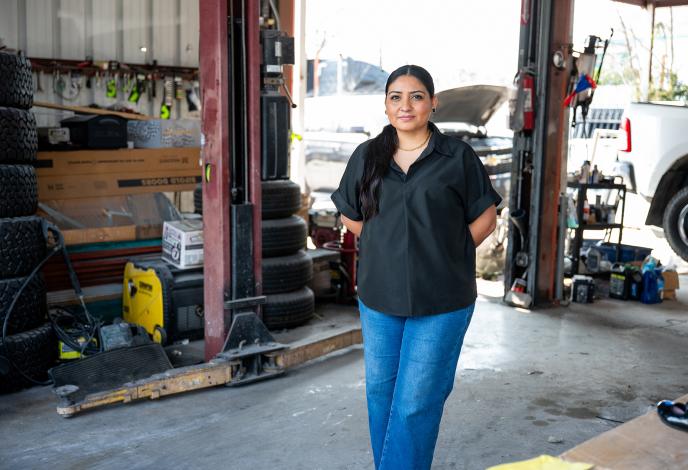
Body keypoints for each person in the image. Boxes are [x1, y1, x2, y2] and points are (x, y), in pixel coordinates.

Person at [330, 65, 501, 470]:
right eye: (395, 97)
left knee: (415, 402)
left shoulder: (457, 156)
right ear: (386, 106)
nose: (405, 105)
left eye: (416, 96)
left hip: (442, 298)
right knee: (381, 395)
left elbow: (486, 216)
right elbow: (350, 215)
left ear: (433, 102)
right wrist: (380, 244)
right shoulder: (367, 155)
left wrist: (451, 252)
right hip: (380, 296)